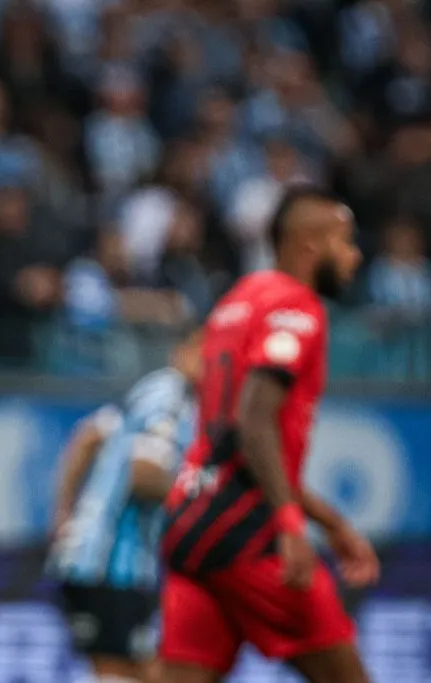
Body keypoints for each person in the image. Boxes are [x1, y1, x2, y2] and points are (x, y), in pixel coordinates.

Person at [157, 187, 380, 683]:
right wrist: (290, 524)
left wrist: (333, 523)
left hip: (192, 519)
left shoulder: (237, 301)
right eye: (344, 242)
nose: (354, 256)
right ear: (308, 245)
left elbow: (239, 443)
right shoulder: (297, 308)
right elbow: (253, 420)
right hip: (248, 532)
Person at [48, 329, 202, 683]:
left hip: (97, 558)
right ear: (180, 353)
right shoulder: (171, 397)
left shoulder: (151, 391)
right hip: (111, 565)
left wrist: (65, 511)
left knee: (138, 672)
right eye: (202, 351)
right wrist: (199, 498)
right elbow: (144, 473)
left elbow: (88, 436)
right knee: (123, 672)